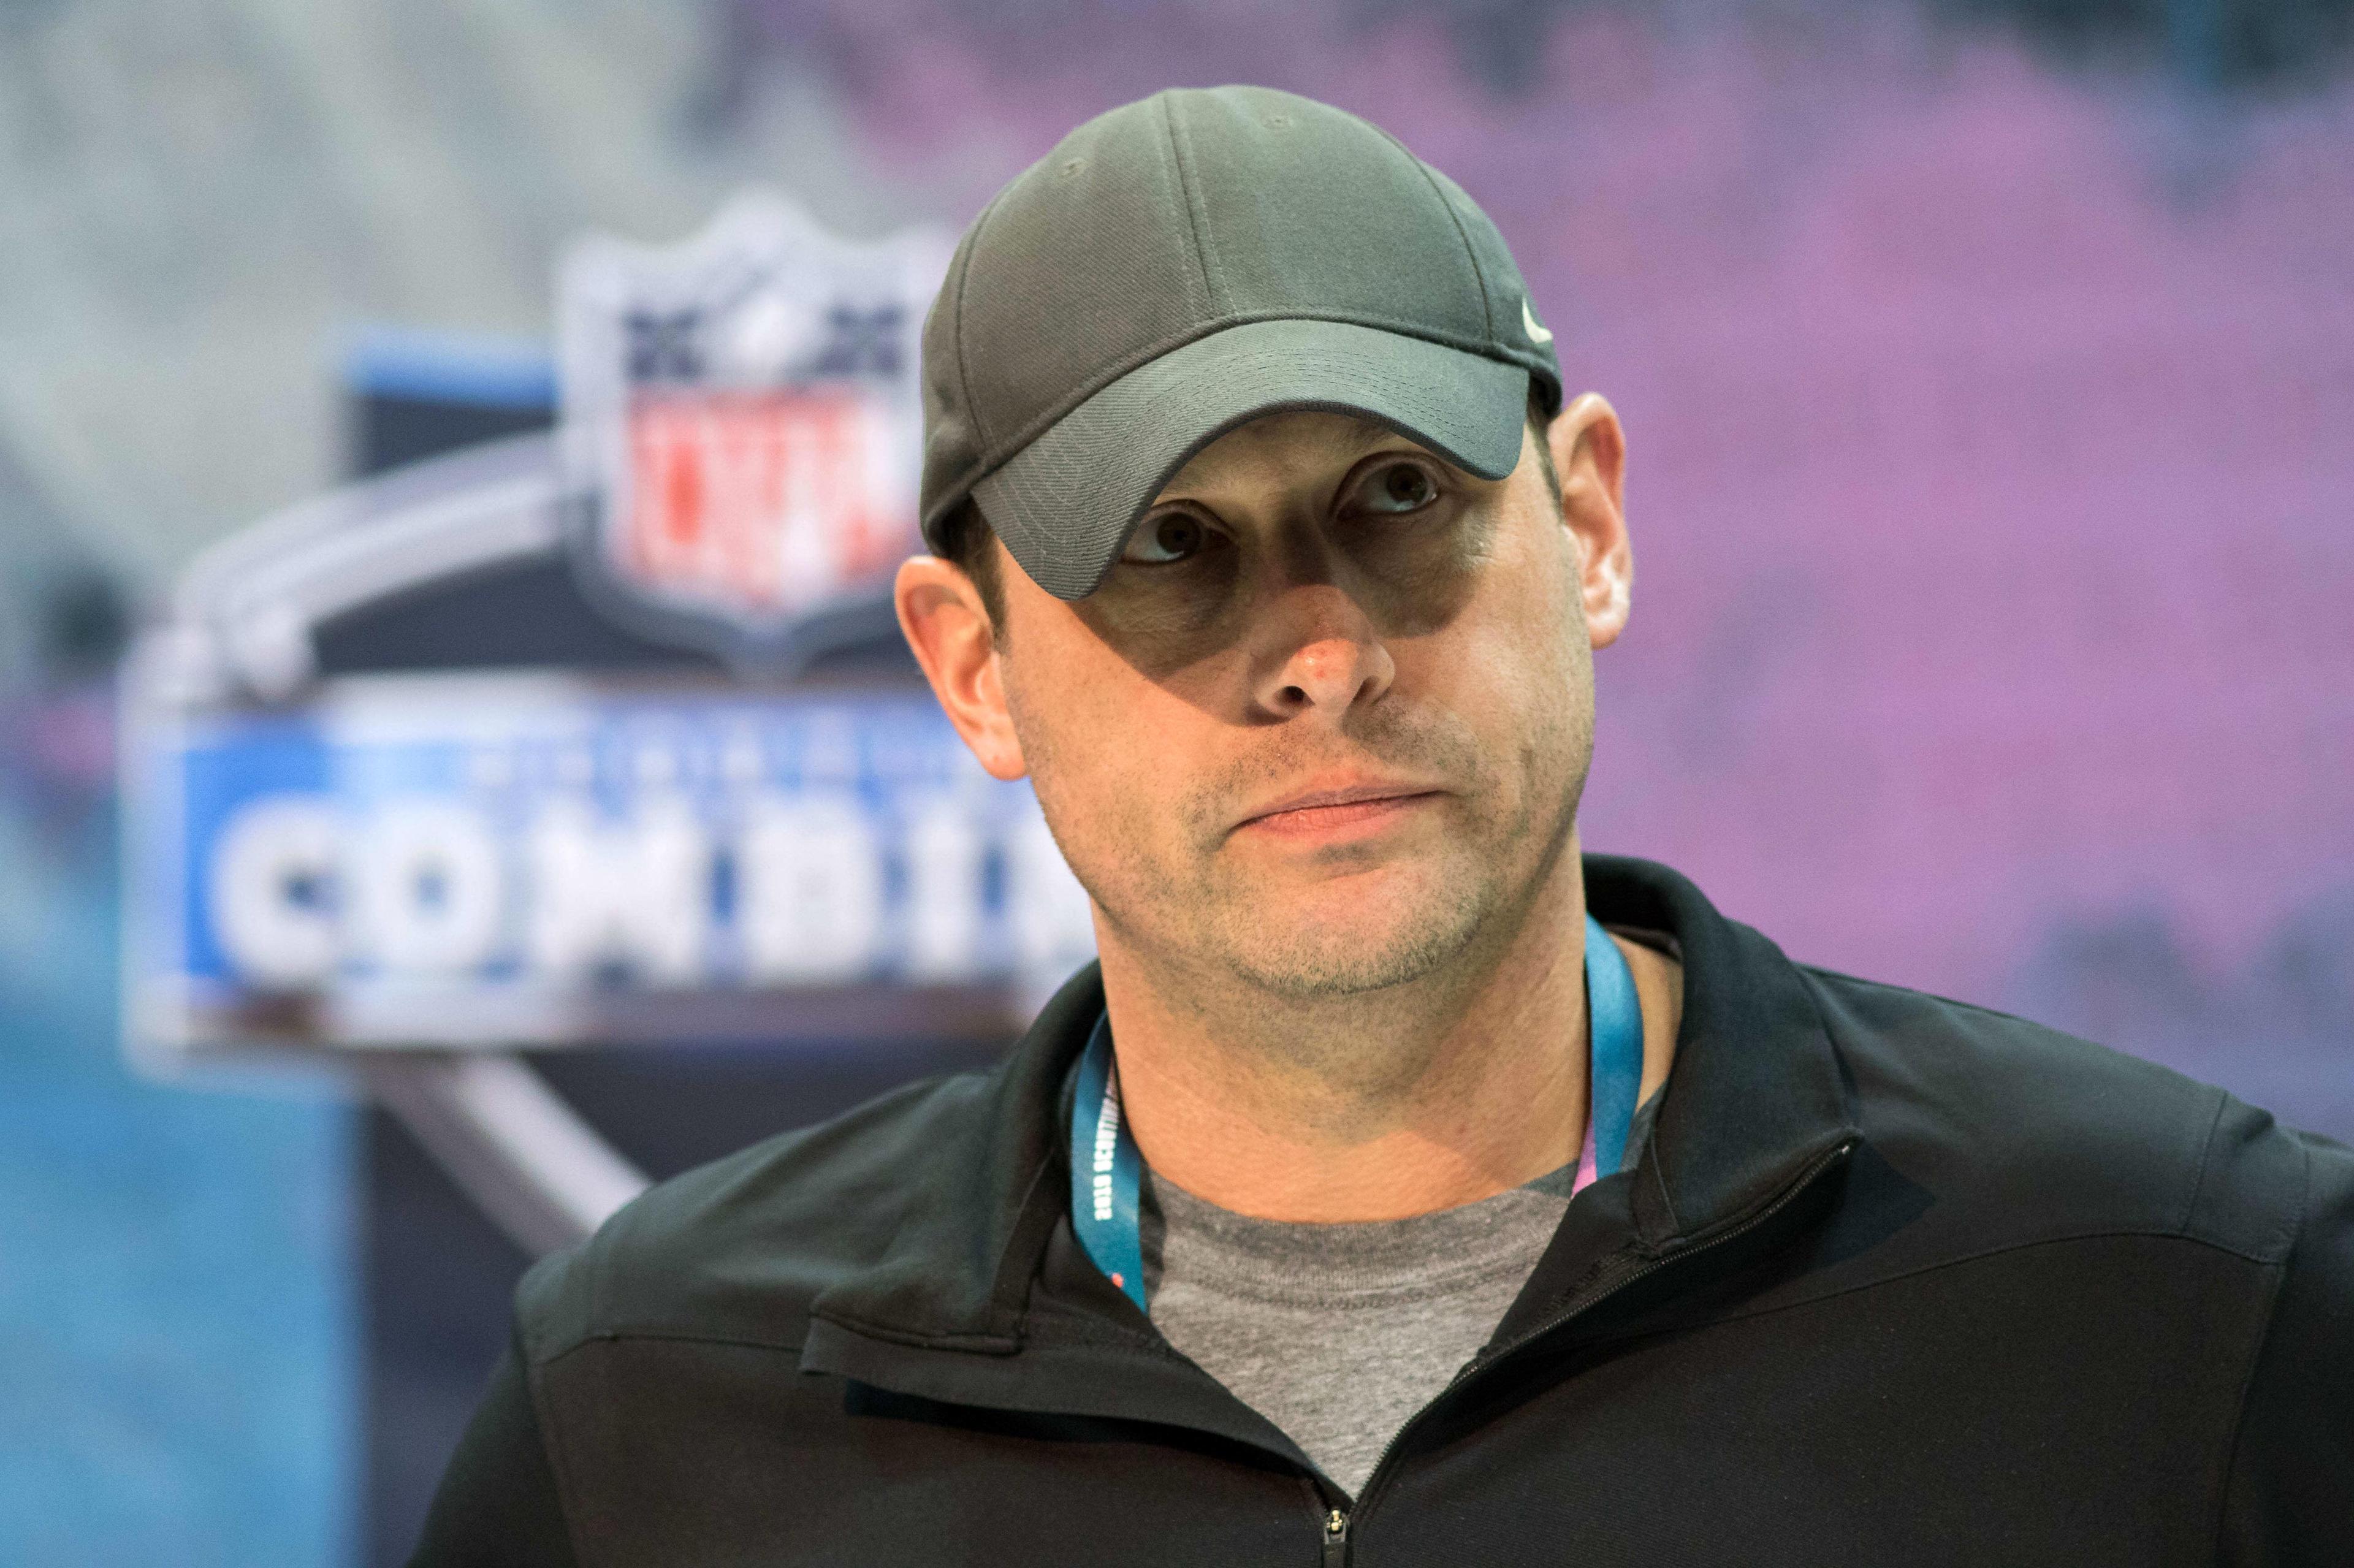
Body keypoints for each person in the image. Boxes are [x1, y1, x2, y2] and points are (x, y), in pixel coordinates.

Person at [412, 85, 2352, 1565]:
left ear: (1583, 523)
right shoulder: (650, 1408)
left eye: (1402, 494)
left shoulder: (2190, 1292)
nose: (1322, 654)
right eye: (1172, 548)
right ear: (973, 665)